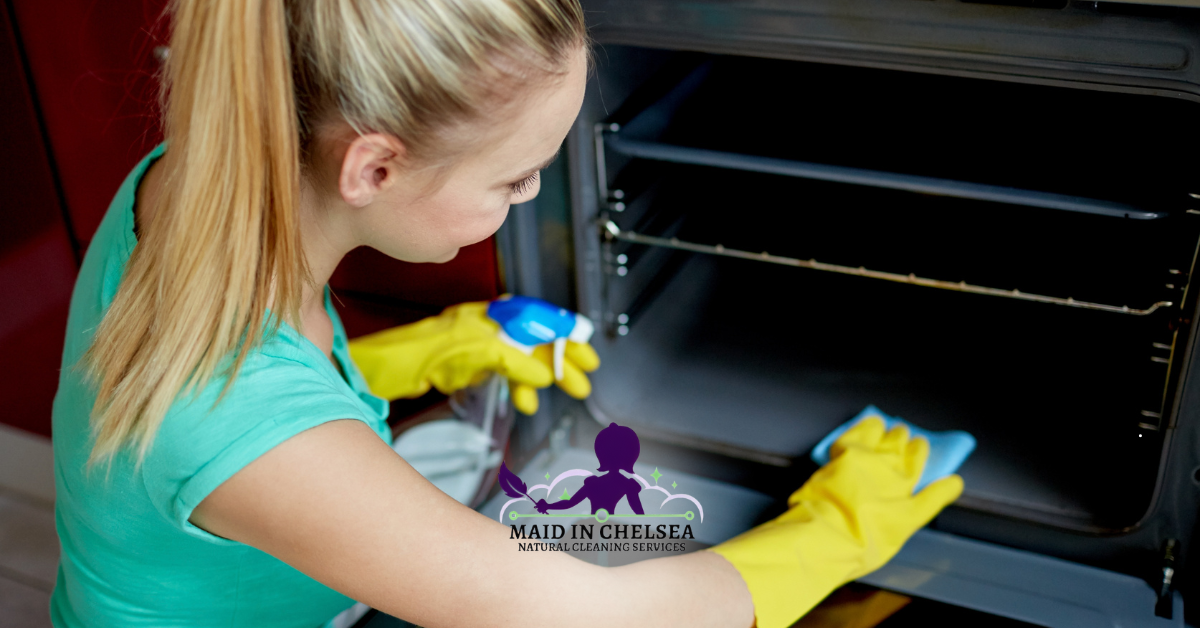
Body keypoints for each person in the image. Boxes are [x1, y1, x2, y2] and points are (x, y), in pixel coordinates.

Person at [50, 0, 963, 626]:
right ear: (373, 168)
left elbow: (273, 387)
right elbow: (576, 614)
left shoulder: (198, 185)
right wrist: (834, 534)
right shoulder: (235, 425)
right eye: (513, 176)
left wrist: (449, 346)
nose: (531, 197)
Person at [535, 422, 645, 516]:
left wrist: (547, 506)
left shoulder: (593, 484)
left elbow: (569, 503)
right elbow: (639, 513)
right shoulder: (626, 484)